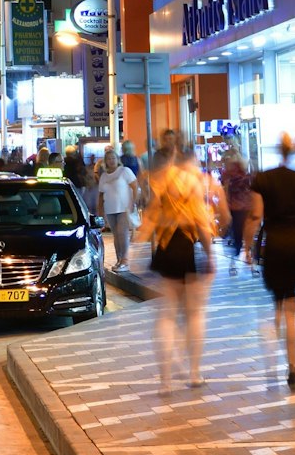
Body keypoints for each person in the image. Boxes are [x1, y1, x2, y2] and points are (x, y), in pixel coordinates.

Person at [136, 148, 219, 390]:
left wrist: (136, 248)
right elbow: (201, 222)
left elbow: (150, 217)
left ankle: (166, 381)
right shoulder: (191, 183)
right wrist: (210, 254)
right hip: (185, 245)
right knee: (194, 314)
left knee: (167, 315)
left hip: (165, 247)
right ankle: (193, 373)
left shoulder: (160, 181)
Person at [244, 134, 295, 388]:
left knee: (283, 306)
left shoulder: (263, 180)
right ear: (294, 151)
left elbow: (256, 215)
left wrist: (247, 248)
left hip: (275, 246)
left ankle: (279, 356)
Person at [94, 148, 138, 271]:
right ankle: (119, 259)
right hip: (110, 208)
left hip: (123, 207)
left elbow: (135, 186)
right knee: (116, 235)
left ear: (117, 159)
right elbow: (101, 194)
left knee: (122, 233)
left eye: (113, 158)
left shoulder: (124, 171)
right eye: (109, 159)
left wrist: (133, 202)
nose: (111, 161)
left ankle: (125, 260)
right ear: (105, 162)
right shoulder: (103, 176)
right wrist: (100, 211)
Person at [221, 155, 254, 273]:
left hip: (237, 208)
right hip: (241, 207)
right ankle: (244, 256)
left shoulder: (232, 177)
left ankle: (238, 258)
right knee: (242, 233)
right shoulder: (243, 177)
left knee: (238, 234)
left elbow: (226, 192)